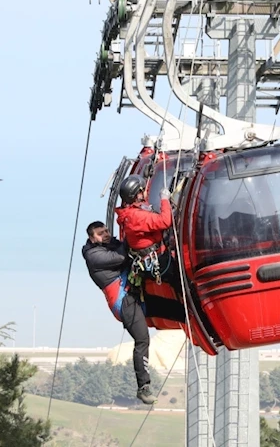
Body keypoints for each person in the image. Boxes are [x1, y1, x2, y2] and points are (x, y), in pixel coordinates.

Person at [81, 220, 186, 405]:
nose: (105, 234)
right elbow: (122, 257)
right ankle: (143, 387)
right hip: (124, 303)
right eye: (100, 233)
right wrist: (132, 231)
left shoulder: (110, 244)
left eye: (106, 230)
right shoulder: (93, 255)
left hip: (136, 294)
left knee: (178, 310)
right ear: (92, 238)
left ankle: (198, 317)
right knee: (142, 339)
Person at [113, 174, 182, 294]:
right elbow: (165, 222)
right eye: (143, 190)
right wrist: (164, 200)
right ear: (137, 194)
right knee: (181, 283)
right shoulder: (136, 216)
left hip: (150, 259)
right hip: (159, 261)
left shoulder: (129, 213)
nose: (146, 192)